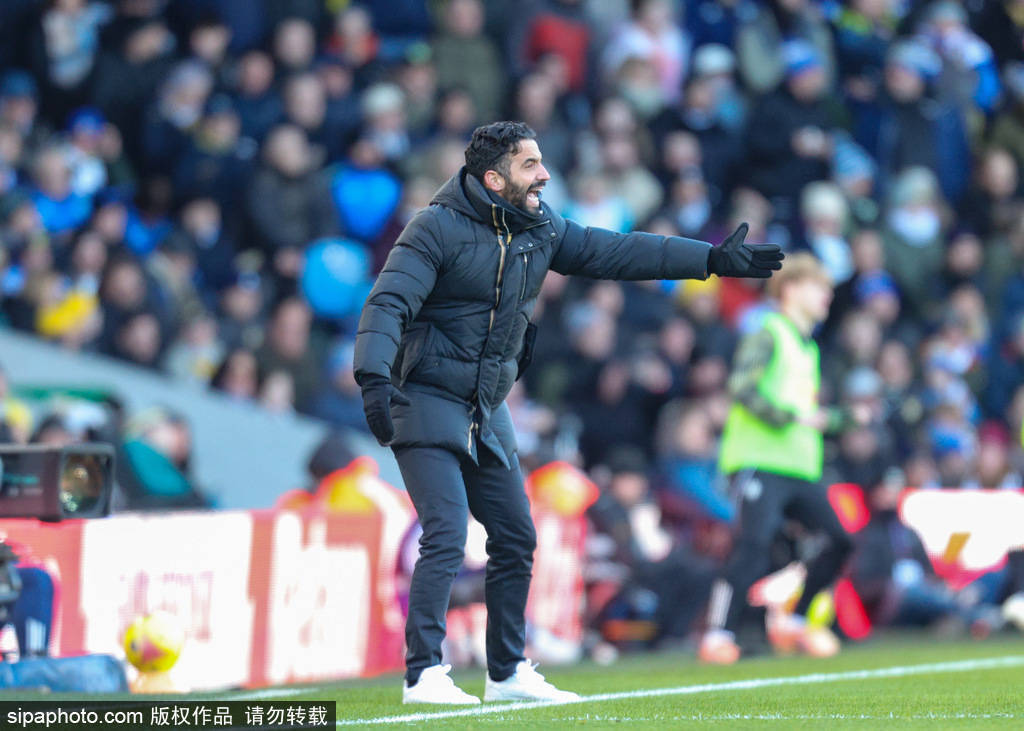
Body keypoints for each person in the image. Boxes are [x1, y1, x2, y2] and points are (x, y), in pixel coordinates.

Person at [353, 121, 783, 704]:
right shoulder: (434, 228)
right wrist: (374, 378)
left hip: (485, 404)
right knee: (447, 532)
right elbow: (388, 303)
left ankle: (506, 672)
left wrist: (708, 259)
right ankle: (424, 673)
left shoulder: (540, 227)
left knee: (515, 536)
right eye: (530, 165)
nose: (545, 175)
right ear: (494, 178)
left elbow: (618, 252)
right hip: (424, 396)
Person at [700, 253, 857, 664]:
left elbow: (805, 412)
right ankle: (719, 634)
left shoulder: (809, 348)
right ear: (790, 289)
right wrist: (791, 417)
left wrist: (844, 418)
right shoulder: (768, 333)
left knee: (840, 541)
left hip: (800, 466)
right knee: (753, 544)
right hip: (759, 459)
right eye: (817, 286)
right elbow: (741, 387)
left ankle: (796, 622)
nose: (826, 296)